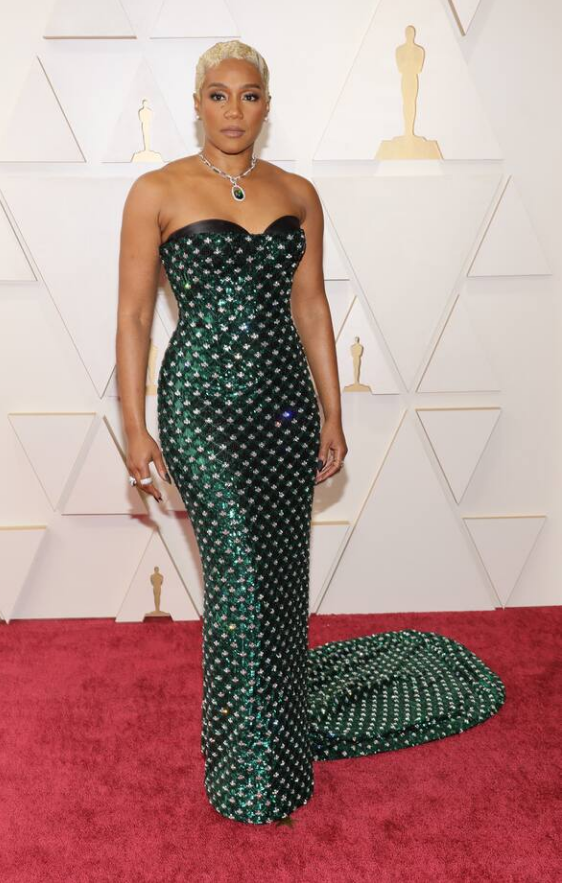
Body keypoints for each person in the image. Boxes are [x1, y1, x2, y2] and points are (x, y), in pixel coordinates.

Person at [115, 39, 506, 826]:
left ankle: (275, 738)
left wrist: (332, 410)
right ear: (197, 104)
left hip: (286, 409)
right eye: (218, 94)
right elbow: (131, 316)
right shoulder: (156, 190)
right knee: (240, 579)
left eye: (249, 95)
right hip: (201, 411)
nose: (233, 109)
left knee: (282, 578)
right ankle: (249, 771)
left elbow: (312, 305)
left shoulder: (298, 192)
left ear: (267, 105)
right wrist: (134, 425)